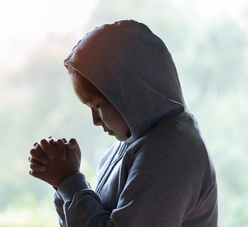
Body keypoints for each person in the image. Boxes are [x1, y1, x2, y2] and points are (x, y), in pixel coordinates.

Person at [28, 20, 218, 227]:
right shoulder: (133, 144)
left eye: (97, 106)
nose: (96, 120)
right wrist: (64, 183)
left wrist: (70, 181)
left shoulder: (170, 151)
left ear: (130, 93)